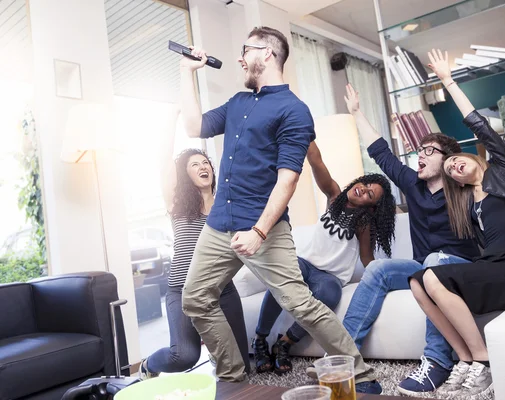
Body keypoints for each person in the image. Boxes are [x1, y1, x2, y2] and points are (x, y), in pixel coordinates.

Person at [179, 26, 381, 393]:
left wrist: (258, 232)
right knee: (195, 297)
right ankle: (233, 376)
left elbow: (287, 180)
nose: (240, 57)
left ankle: (362, 376)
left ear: (267, 53)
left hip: (264, 227)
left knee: (300, 303)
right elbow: (194, 126)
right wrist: (187, 73)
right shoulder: (239, 103)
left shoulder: (294, 110)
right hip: (220, 225)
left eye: (245, 50)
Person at [409, 49, 505, 398]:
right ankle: (465, 359)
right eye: (450, 171)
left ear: (470, 157)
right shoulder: (468, 205)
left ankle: (484, 362)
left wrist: (448, 81)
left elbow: (479, 125)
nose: (453, 167)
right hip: (492, 267)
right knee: (417, 280)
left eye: (455, 160)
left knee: (430, 275)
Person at [341, 83, 481, 395]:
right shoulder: (412, 184)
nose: (420, 154)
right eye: (420, 149)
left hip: (461, 269)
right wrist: (356, 112)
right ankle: (343, 357)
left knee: (433, 263)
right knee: (378, 269)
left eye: (429, 151)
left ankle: (437, 361)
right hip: (425, 268)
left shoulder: (463, 190)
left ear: (447, 160)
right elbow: (380, 152)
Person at [253, 141, 396, 375]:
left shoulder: (363, 223)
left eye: (370, 194)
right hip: (305, 263)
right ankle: (259, 339)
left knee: (330, 293)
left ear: (371, 207)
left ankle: (284, 344)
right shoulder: (334, 196)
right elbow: (317, 162)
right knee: (282, 275)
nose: (363, 188)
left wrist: (383, 278)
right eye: (366, 183)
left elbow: (367, 258)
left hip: (329, 277)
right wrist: (307, 136)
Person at [138, 108, 249, 380]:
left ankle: (218, 352)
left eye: (205, 163)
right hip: (182, 289)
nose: (203, 167)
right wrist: (170, 118)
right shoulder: (177, 203)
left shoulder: (226, 203)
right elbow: (163, 160)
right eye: (194, 165)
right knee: (184, 356)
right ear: (185, 175)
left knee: (243, 366)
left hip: (222, 290)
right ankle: (147, 366)